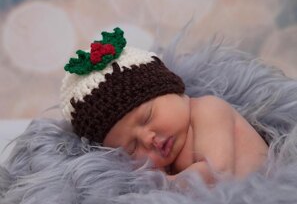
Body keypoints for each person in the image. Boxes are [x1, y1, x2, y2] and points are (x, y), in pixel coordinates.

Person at [60, 27, 269, 186]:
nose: (147, 138)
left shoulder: (208, 110)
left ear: (173, 88)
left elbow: (218, 172)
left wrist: (163, 184)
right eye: (132, 147)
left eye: (147, 117)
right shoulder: (168, 161)